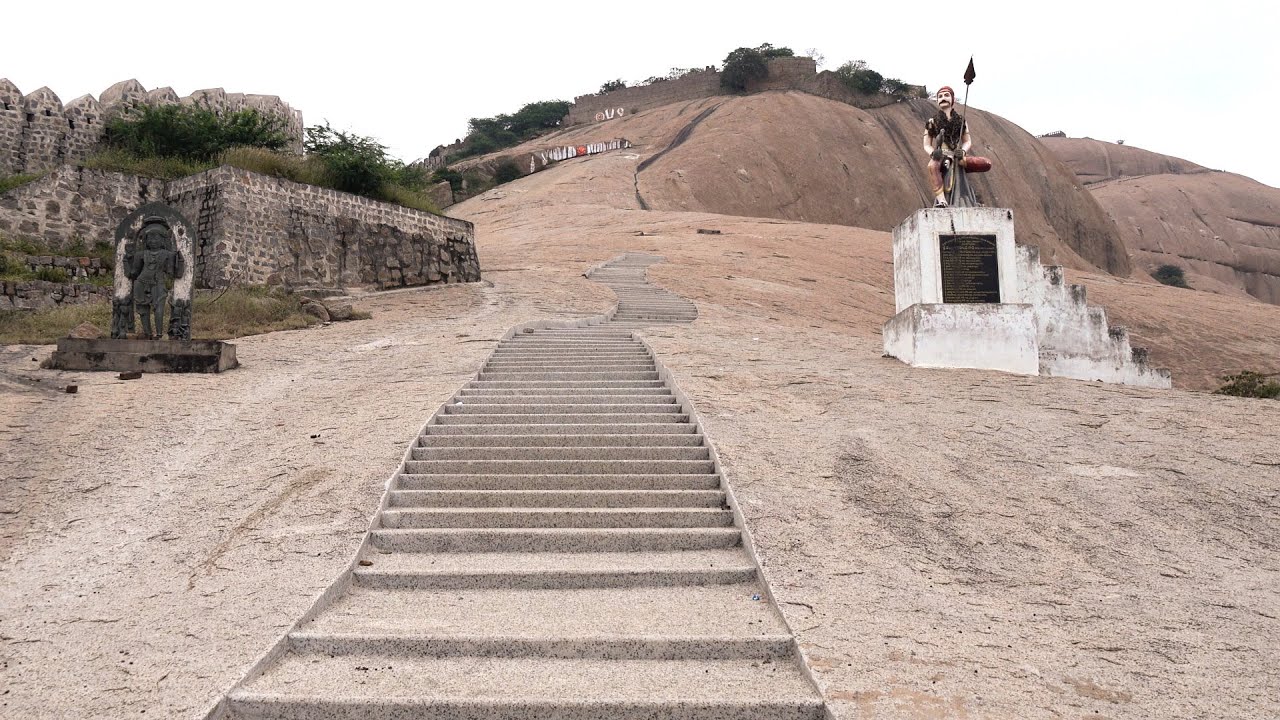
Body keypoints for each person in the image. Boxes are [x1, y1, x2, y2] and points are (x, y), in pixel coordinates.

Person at [125, 218, 184, 339]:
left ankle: (159, 334)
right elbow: (133, 273)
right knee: (142, 310)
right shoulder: (140, 254)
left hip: (158, 282)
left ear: (163, 240)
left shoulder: (168, 254)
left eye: (156, 238)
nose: (153, 241)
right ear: (145, 240)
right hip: (141, 283)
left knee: (159, 309)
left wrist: (180, 261)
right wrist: (126, 261)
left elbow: (174, 274)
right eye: (150, 238)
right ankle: (148, 333)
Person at [922, 86, 972, 207]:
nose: (943, 98)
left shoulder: (961, 120)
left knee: (983, 164)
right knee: (932, 166)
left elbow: (968, 141)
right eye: (940, 96)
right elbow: (926, 145)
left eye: (946, 95)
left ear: (952, 99)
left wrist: (963, 151)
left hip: (956, 155)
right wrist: (933, 153)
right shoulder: (932, 121)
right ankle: (942, 201)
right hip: (941, 154)